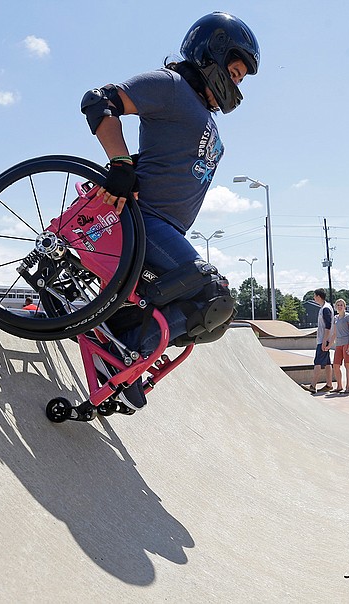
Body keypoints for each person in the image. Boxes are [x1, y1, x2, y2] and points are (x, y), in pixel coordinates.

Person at [80, 12, 259, 410]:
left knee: (214, 316)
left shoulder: (201, 110)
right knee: (210, 295)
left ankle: (115, 334)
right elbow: (98, 101)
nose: (235, 85)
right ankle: (124, 355)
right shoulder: (171, 85)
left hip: (170, 232)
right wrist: (121, 164)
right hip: (143, 221)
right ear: (209, 55)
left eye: (241, 79)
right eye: (233, 72)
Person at [301, 289, 334, 394]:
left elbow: (328, 326)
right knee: (327, 363)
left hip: (323, 340)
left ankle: (313, 385)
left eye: (314, 296)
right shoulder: (324, 307)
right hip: (324, 339)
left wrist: (324, 341)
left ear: (319, 297)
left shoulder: (325, 309)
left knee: (317, 362)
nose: (314, 298)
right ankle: (329, 384)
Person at [332, 299, 349, 394]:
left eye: (341, 305)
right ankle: (339, 386)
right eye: (338, 305)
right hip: (339, 344)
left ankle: (348, 387)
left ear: (344, 306)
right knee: (336, 365)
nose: (340, 306)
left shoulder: (348, 317)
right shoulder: (335, 318)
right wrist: (329, 344)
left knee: (347, 365)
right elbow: (334, 333)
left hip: (347, 343)